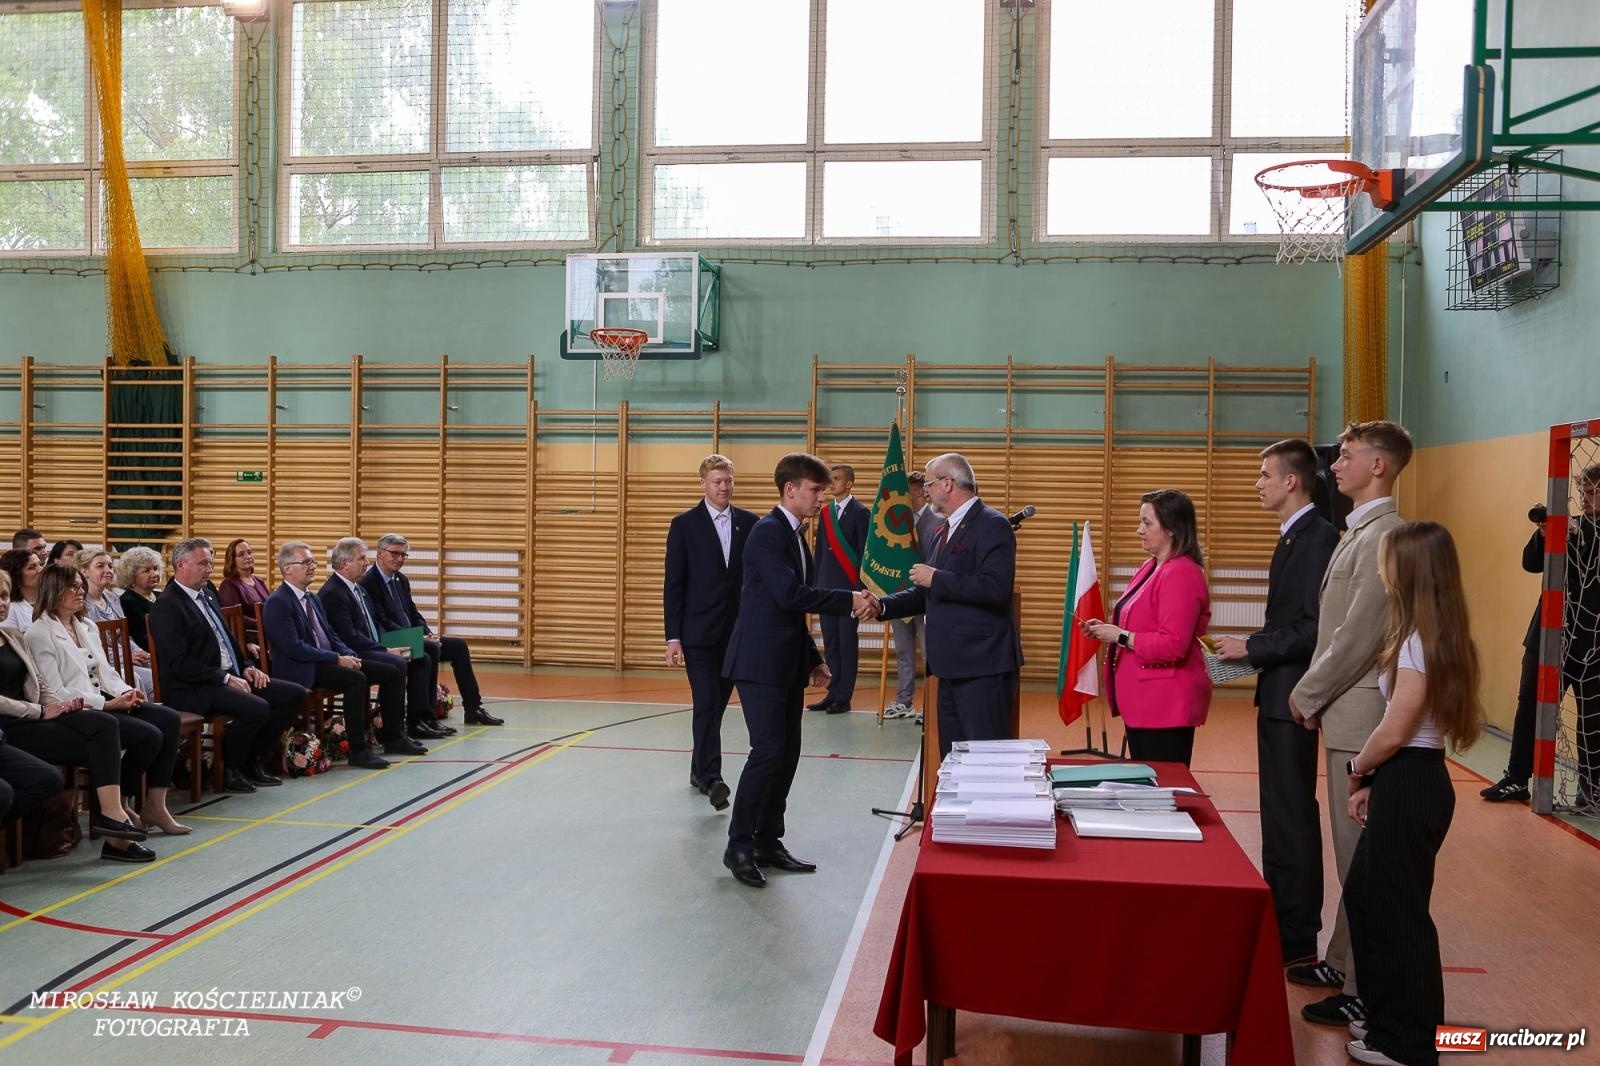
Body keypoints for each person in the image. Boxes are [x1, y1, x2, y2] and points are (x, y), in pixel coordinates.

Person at [1342, 521, 1484, 1066]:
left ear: (1411, 569)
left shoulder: (1419, 642)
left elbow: (1397, 729)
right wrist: (1376, 781)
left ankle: (1410, 1043)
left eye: (1388, 560)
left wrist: (1359, 768)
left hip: (1412, 777)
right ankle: (1384, 1020)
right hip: (1406, 777)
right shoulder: (1431, 633)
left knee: (1400, 915)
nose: (1382, 568)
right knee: (1367, 899)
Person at [1288, 419, 1412, 1029]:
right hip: (1345, 713)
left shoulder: (1383, 535)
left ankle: (1364, 985)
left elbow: (1356, 635)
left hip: (1357, 714)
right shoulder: (1359, 531)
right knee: (1349, 854)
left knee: (1359, 856)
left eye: (1347, 456)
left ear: (1379, 466)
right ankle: (1343, 959)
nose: (1334, 466)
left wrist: (1306, 694)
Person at [721, 452, 871, 888]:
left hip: (785, 661)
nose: (821, 497)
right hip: (758, 662)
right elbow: (790, 595)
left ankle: (769, 840)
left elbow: (788, 608)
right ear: (790, 489)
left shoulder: (796, 535)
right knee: (767, 752)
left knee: (786, 755)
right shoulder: (768, 534)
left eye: (823, 490)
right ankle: (739, 845)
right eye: (815, 489)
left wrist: (813, 656)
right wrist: (848, 599)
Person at [1215, 439, 1339, 964]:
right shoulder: (1294, 537)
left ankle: (1296, 932)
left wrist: (1253, 647)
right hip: (1279, 690)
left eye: (1266, 474)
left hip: (1296, 693)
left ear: (1293, 480)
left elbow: (1314, 628)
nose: (1258, 483)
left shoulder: (1318, 539)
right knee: (1279, 811)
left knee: (1290, 813)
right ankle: (1283, 917)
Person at [869, 453, 1023, 760]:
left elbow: (994, 588)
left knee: (986, 763)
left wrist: (937, 578)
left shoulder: (992, 524)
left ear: (947, 483)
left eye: (928, 483)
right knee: (953, 761)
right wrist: (881, 605)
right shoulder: (943, 529)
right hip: (949, 669)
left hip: (982, 667)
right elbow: (926, 591)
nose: (925, 490)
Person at [0, 571, 157, 862]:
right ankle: (114, 819)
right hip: (13, 725)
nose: (2, 603)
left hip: (37, 716)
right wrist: (45, 709)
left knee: (107, 732)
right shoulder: (35, 632)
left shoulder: (11, 636)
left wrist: (57, 705)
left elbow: (40, 684)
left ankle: (114, 827)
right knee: (103, 725)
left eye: (5, 596)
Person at [24, 564, 191, 835]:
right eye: (74, 587)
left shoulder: (87, 625)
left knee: (168, 719)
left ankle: (155, 804)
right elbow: (55, 691)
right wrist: (107, 704)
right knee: (148, 736)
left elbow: (106, 671)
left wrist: (126, 691)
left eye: (81, 585)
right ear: (54, 591)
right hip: (75, 710)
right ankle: (117, 804)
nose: (81, 592)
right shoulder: (39, 633)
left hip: (105, 700)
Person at [1482, 467, 1600, 809]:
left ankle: (1591, 789)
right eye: (1584, 491)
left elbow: (1591, 548)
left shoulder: (1583, 528)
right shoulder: (1569, 524)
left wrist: (1576, 531)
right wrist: (1547, 532)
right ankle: (1517, 778)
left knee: (1591, 714)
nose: (1586, 497)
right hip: (1548, 632)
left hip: (1592, 639)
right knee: (1529, 702)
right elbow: (1530, 563)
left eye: (1594, 491)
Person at [148, 538, 304, 794]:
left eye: (210, 563)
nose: (209, 569)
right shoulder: (168, 605)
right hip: (193, 686)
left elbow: (227, 638)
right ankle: (228, 768)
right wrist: (224, 678)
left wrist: (246, 666)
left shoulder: (207, 593)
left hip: (227, 675)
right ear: (181, 564)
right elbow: (178, 663)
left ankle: (253, 761)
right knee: (257, 707)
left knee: (293, 695)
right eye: (203, 564)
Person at [1083, 489, 1211, 766]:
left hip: (1165, 704)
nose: (1139, 530)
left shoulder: (1182, 573)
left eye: (1147, 523)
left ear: (1172, 529)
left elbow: (1173, 645)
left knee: (1162, 787)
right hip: (1144, 702)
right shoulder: (1151, 566)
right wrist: (1108, 628)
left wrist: (1119, 636)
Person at [663, 453, 756, 812]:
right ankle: (712, 778)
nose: (724, 487)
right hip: (699, 633)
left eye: (728, 481)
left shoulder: (750, 523)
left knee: (716, 707)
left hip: (738, 633)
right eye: (717, 481)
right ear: (703, 484)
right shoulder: (684, 525)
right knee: (705, 703)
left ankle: (697, 768)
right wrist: (673, 637)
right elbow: (674, 584)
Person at [261, 542, 388, 771]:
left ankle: (386, 734)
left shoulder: (312, 598)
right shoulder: (278, 602)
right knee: (356, 679)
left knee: (381, 669)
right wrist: (336, 659)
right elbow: (295, 648)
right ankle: (358, 750)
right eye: (306, 562)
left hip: (322, 661)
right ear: (287, 568)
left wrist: (347, 653)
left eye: (313, 562)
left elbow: (330, 633)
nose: (312, 567)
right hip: (301, 668)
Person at [361, 533, 495, 730]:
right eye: (395, 554)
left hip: (411, 636)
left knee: (457, 646)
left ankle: (473, 708)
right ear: (380, 554)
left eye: (403, 555)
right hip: (390, 640)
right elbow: (382, 620)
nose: (399, 559)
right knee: (428, 650)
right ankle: (423, 716)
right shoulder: (368, 582)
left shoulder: (401, 580)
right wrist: (416, 637)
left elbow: (413, 612)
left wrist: (427, 632)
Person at [320, 537, 426, 758]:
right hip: (354, 650)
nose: (366, 563)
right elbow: (349, 637)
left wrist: (389, 645)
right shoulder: (333, 593)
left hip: (370, 645)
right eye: (361, 559)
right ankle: (391, 735)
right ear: (345, 563)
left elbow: (374, 623)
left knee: (417, 654)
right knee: (395, 663)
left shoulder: (358, 588)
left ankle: (402, 728)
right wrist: (385, 650)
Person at [808, 463, 868, 715]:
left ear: (849, 483)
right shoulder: (825, 513)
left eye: (837, 479)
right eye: (829, 479)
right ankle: (832, 692)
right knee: (831, 643)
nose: (831, 483)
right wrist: (815, 584)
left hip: (849, 591)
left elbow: (864, 554)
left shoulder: (861, 512)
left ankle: (845, 696)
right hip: (826, 589)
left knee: (846, 644)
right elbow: (820, 550)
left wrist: (860, 590)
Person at [883, 471, 939, 721]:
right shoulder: (897, 522)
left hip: (926, 598)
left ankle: (931, 704)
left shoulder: (936, 520)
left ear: (918, 491)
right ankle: (903, 700)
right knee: (904, 652)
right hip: (901, 595)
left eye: (904, 490)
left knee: (930, 653)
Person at [77, 549, 155, 697]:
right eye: (100, 566)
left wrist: (138, 651)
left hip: (124, 658)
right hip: (106, 664)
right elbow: (90, 645)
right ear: (84, 571)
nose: (108, 570)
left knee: (164, 670)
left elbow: (123, 636)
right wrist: (125, 657)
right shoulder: (81, 603)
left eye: (110, 566)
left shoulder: (112, 597)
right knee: (150, 679)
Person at [218, 538, 272, 647]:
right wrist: (262, 624)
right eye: (241, 554)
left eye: (249, 552)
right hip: (250, 639)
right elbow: (234, 619)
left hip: (269, 633)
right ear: (232, 560)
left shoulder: (259, 581)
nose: (247, 556)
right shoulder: (229, 585)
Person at [116, 546, 164, 652]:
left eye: (155, 568)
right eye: (147, 571)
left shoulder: (162, 596)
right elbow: (142, 639)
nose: (155, 574)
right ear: (131, 576)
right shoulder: (128, 601)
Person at [0, 549, 42, 631]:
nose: (40, 570)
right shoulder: (10, 609)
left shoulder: (48, 601)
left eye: (40, 564)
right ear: (16, 575)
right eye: (32, 567)